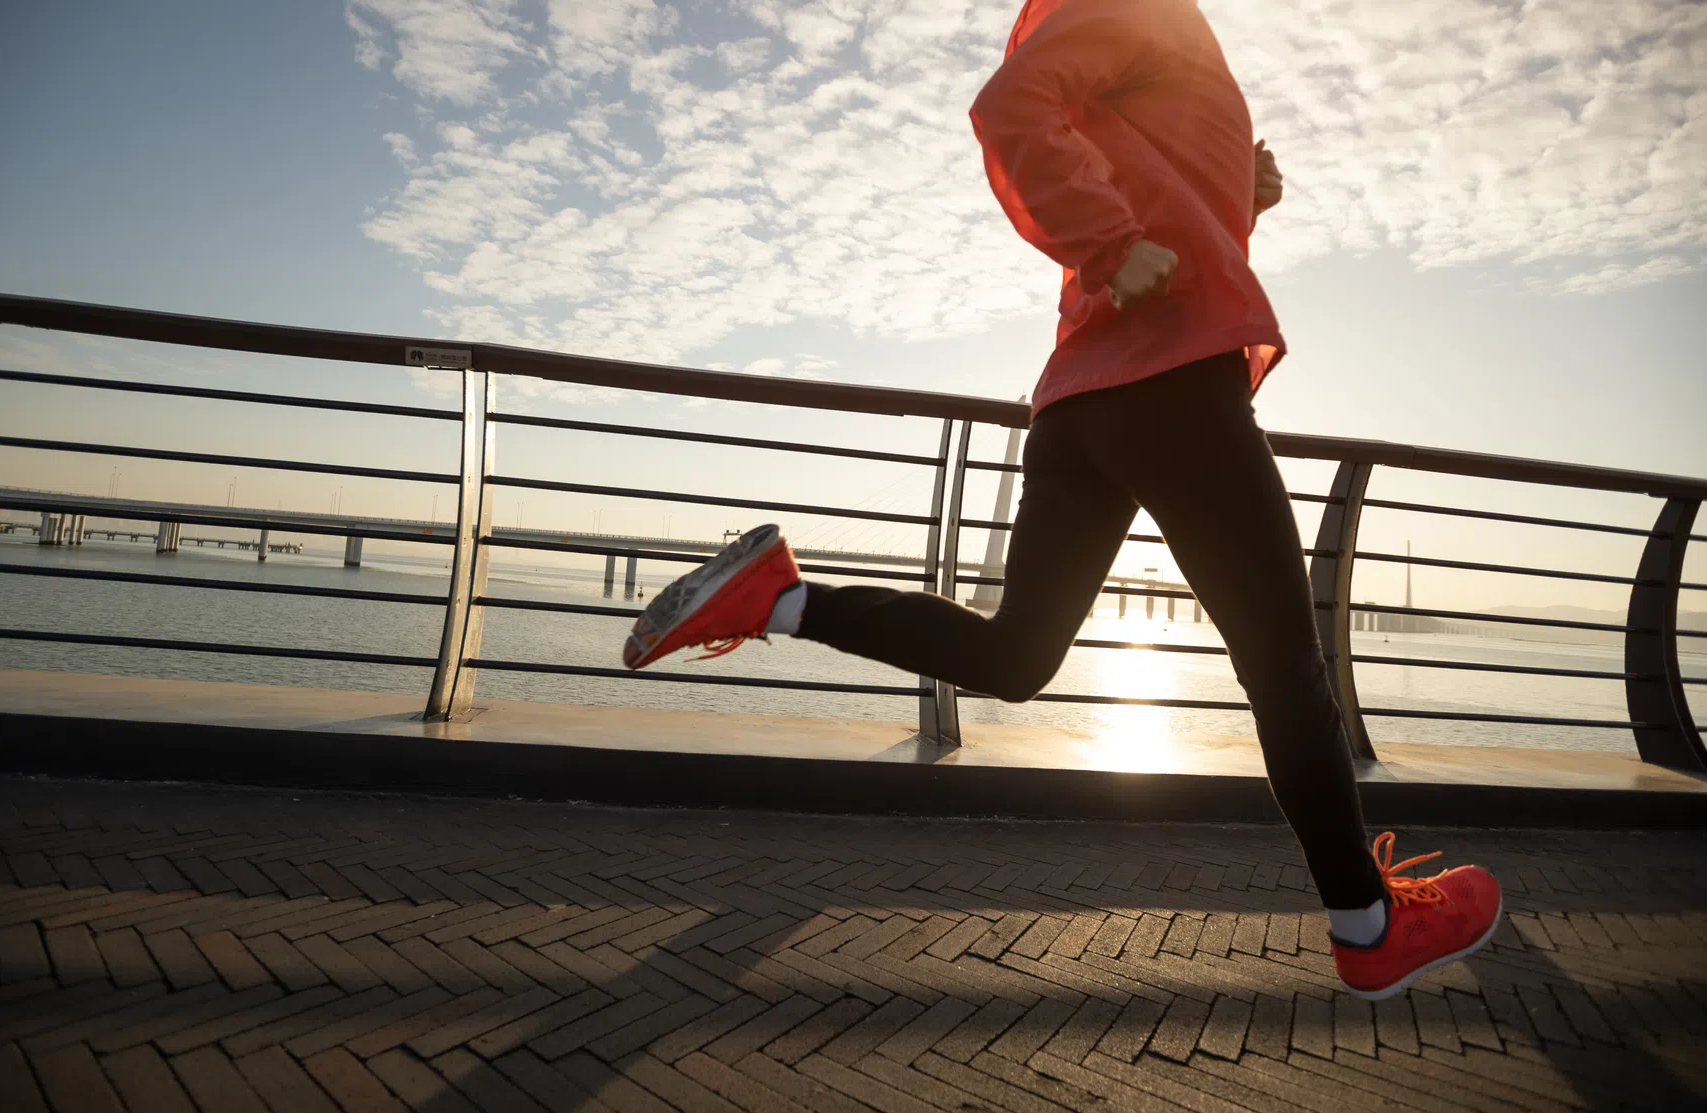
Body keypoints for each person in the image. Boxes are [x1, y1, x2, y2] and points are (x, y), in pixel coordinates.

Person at [622, 0, 1500, 1000]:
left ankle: (775, 600)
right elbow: (1010, 109)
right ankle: (1369, 924)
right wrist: (1110, 242)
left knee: (1015, 656)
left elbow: (1135, 184)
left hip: (1085, 402)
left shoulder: (1142, 32)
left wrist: (1234, 200)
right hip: (1171, 388)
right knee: (1285, 670)